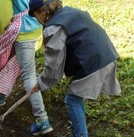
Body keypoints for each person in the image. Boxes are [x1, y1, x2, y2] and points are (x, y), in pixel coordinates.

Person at [28, 0, 122, 136]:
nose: (37, 20)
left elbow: (54, 66)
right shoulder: (70, 12)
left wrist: (41, 83)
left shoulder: (54, 27)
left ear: (42, 12)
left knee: (72, 99)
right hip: (105, 55)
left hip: (93, 61)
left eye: (35, 15)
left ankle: (80, 135)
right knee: (75, 97)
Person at [0, 0, 53, 135]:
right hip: (35, 24)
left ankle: (42, 120)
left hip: (23, 31)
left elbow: (4, 16)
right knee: (9, 59)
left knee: (29, 77)